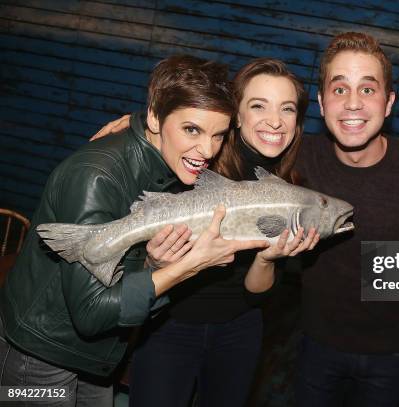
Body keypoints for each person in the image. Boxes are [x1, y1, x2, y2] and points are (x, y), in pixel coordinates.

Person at [0, 55, 271, 407]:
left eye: (218, 135)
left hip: (94, 358)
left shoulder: (175, 171)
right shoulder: (96, 177)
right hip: (35, 361)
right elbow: (91, 313)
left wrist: (157, 268)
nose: (207, 150)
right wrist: (189, 266)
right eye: (192, 130)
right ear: (156, 118)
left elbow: (127, 287)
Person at [90, 58, 319, 407]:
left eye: (287, 109)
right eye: (258, 106)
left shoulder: (293, 185)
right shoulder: (199, 159)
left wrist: (266, 257)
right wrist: (137, 126)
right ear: (235, 115)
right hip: (170, 325)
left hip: (240, 329)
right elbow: (171, 121)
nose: (275, 121)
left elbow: (256, 297)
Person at [294, 32, 399, 406]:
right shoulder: (297, 160)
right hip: (313, 346)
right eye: (339, 89)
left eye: (367, 89)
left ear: (389, 102)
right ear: (320, 102)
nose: (352, 104)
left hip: (394, 357)